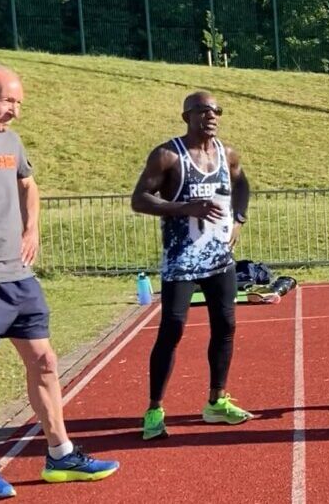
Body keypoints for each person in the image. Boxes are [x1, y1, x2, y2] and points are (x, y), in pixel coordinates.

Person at [0, 63, 119, 501]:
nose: (16, 112)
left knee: (44, 361)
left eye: (19, 103)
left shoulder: (11, 141)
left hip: (18, 275)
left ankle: (60, 453)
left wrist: (31, 229)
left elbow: (28, 184)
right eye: (9, 101)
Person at [130, 91, 253, 440]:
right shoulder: (168, 155)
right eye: (202, 110)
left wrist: (239, 220)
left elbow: (242, 182)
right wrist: (185, 208)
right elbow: (139, 199)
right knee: (172, 330)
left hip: (218, 257)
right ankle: (154, 409)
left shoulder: (227, 153)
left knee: (226, 325)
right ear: (186, 116)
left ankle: (217, 400)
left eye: (216, 111)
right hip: (181, 259)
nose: (211, 116)